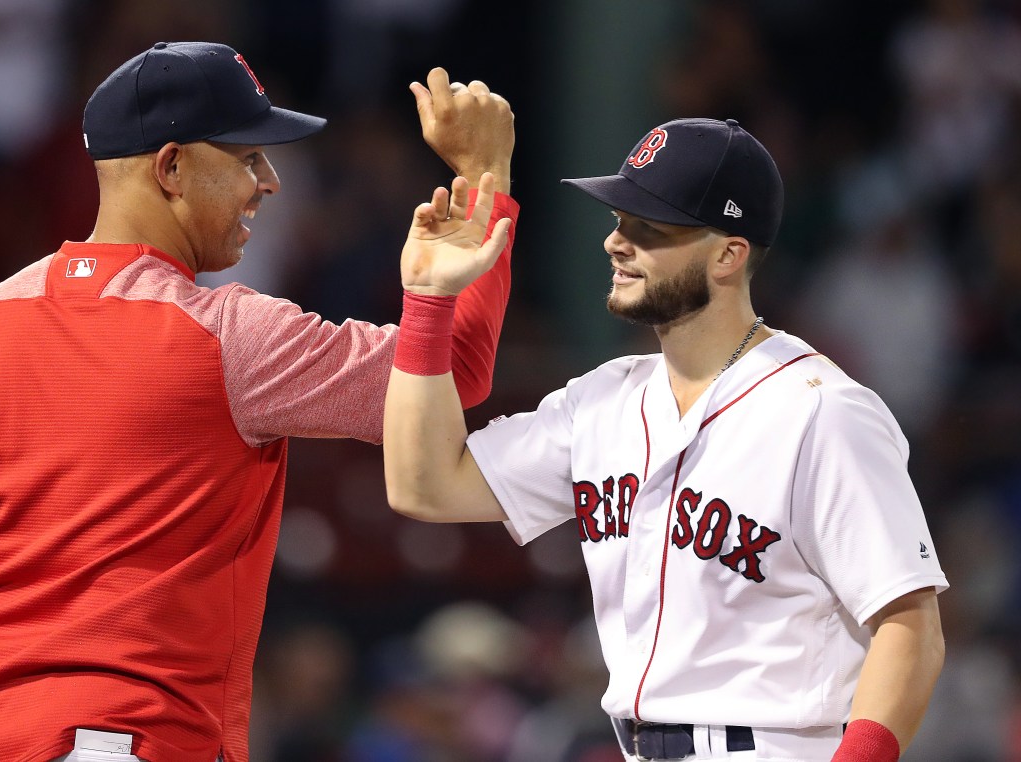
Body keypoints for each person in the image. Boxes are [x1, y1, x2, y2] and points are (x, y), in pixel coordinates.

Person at [0, 41, 516, 762]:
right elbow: (450, 374)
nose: (270, 182)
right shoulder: (230, 337)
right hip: (122, 740)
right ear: (172, 167)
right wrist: (484, 178)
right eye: (248, 158)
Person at [384, 117, 947, 761]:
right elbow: (425, 485)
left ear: (728, 254)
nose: (616, 243)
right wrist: (428, 301)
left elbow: (910, 627)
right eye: (621, 219)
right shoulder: (601, 400)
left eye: (649, 228)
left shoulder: (824, 411)